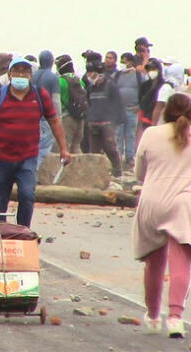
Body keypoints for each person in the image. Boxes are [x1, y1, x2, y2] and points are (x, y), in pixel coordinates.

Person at [0, 57, 70, 227]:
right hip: (1, 158)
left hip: (28, 158)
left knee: (27, 195)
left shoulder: (40, 95)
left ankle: (23, 231)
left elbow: (54, 121)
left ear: (31, 75)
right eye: (16, 71)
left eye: (25, 71)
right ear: (9, 74)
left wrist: (64, 149)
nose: (21, 74)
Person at [133, 93, 191, 338]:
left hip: (151, 201)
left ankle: (154, 316)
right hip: (182, 203)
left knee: (154, 264)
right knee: (181, 263)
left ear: (165, 111)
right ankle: (176, 318)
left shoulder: (150, 134)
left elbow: (138, 173)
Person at [85, 60, 125, 177]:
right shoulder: (90, 87)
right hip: (93, 123)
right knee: (95, 152)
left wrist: (116, 121)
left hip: (107, 123)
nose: (89, 76)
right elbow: (89, 103)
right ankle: (97, 175)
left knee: (110, 148)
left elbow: (117, 103)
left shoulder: (110, 85)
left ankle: (117, 172)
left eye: (91, 73)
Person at [32, 50, 62, 169]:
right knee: (44, 146)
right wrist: (58, 118)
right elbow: (56, 100)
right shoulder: (53, 78)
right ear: (51, 61)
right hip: (47, 117)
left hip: (33, 115)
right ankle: (34, 170)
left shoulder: (33, 76)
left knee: (35, 144)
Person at [114, 53, 143, 169]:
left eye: (126, 62)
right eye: (122, 62)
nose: (124, 64)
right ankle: (118, 157)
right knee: (118, 134)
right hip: (119, 110)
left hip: (133, 110)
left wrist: (140, 106)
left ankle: (130, 157)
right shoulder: (117, 75)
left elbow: (144, 92)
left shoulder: (138, 76)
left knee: (130, 134)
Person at [55, 54, 86, 154]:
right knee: (76, 146)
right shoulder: (80, 81)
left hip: (66, 118)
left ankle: (66, 169)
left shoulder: (60, 82)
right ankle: (81, 168)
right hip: (80, 118)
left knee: (65, 147)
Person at [137, 59, 166, 145]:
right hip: (146, 116)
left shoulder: (164, 85)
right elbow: (140, 100)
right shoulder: (144, 85)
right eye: (149, 69)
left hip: (160, 118)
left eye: (153, 69)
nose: (151, 71)